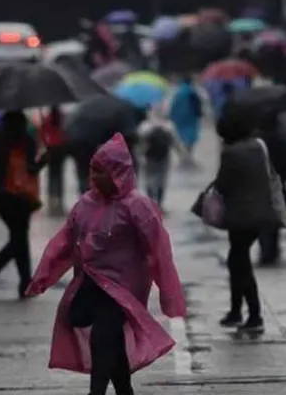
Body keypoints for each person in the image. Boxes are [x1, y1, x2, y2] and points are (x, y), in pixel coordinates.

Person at [25, 134, 186, 395]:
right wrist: (44, 275)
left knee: (102, 338)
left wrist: (168, 292)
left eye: (101, 171)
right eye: (93, 169)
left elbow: (158, 249)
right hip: (91, 282)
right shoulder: (85, 204)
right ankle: (124, 390)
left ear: (117, 172)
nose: (94, 176)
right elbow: (64, 241)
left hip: (124, 288)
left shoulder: (137, 206)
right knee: (107, 337)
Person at [208, 116, 285, 333]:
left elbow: (222, 185)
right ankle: (237, 311)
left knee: (239, 262)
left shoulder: (230, 153)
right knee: (237, 260)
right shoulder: (259, 146)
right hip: (262, 212)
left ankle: (253, 314)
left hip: (241, 216)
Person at [0, 111, 47, 298]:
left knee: (19, 239)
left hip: (2, 196)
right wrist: (43, 161)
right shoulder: (27, 141)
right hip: (21, 197)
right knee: (19, 240)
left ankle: (24, 283)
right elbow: (30, 169)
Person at [257, 114, 286, 265]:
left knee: (261, 218)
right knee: (275, 217)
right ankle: (273, 247)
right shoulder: (282, 139)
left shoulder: (256, 141)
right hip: (278, 183)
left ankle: (265, 248)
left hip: (259, 183)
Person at [137, 107, 188, 207]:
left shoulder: (144, 126)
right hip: (164, 156)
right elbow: (175, 141)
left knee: (149, 179)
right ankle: (159, 203)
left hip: (148, 157)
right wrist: (181, 154)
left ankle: (150, 202)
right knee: (162, 179)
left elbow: (139, 142)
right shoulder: (169, 126)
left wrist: (138, 155)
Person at [168, 76, 204, 165]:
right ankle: (188, 155)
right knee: (191, 137)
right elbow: (197, 106)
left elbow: (173, 105)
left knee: (180, 137)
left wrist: (171, 116)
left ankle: (183, 156)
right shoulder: (192, 92)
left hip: (179, 118)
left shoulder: (178, 92)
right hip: (190, 118)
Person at [41, 107, 69, 216]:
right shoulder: (63, 117)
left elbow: (43, 133)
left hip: (51, 148)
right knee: (59, 174)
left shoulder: (47, 118)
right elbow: (67, 131)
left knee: (51, 174)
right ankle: (60, 199)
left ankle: (52, 198)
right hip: (61, 148)